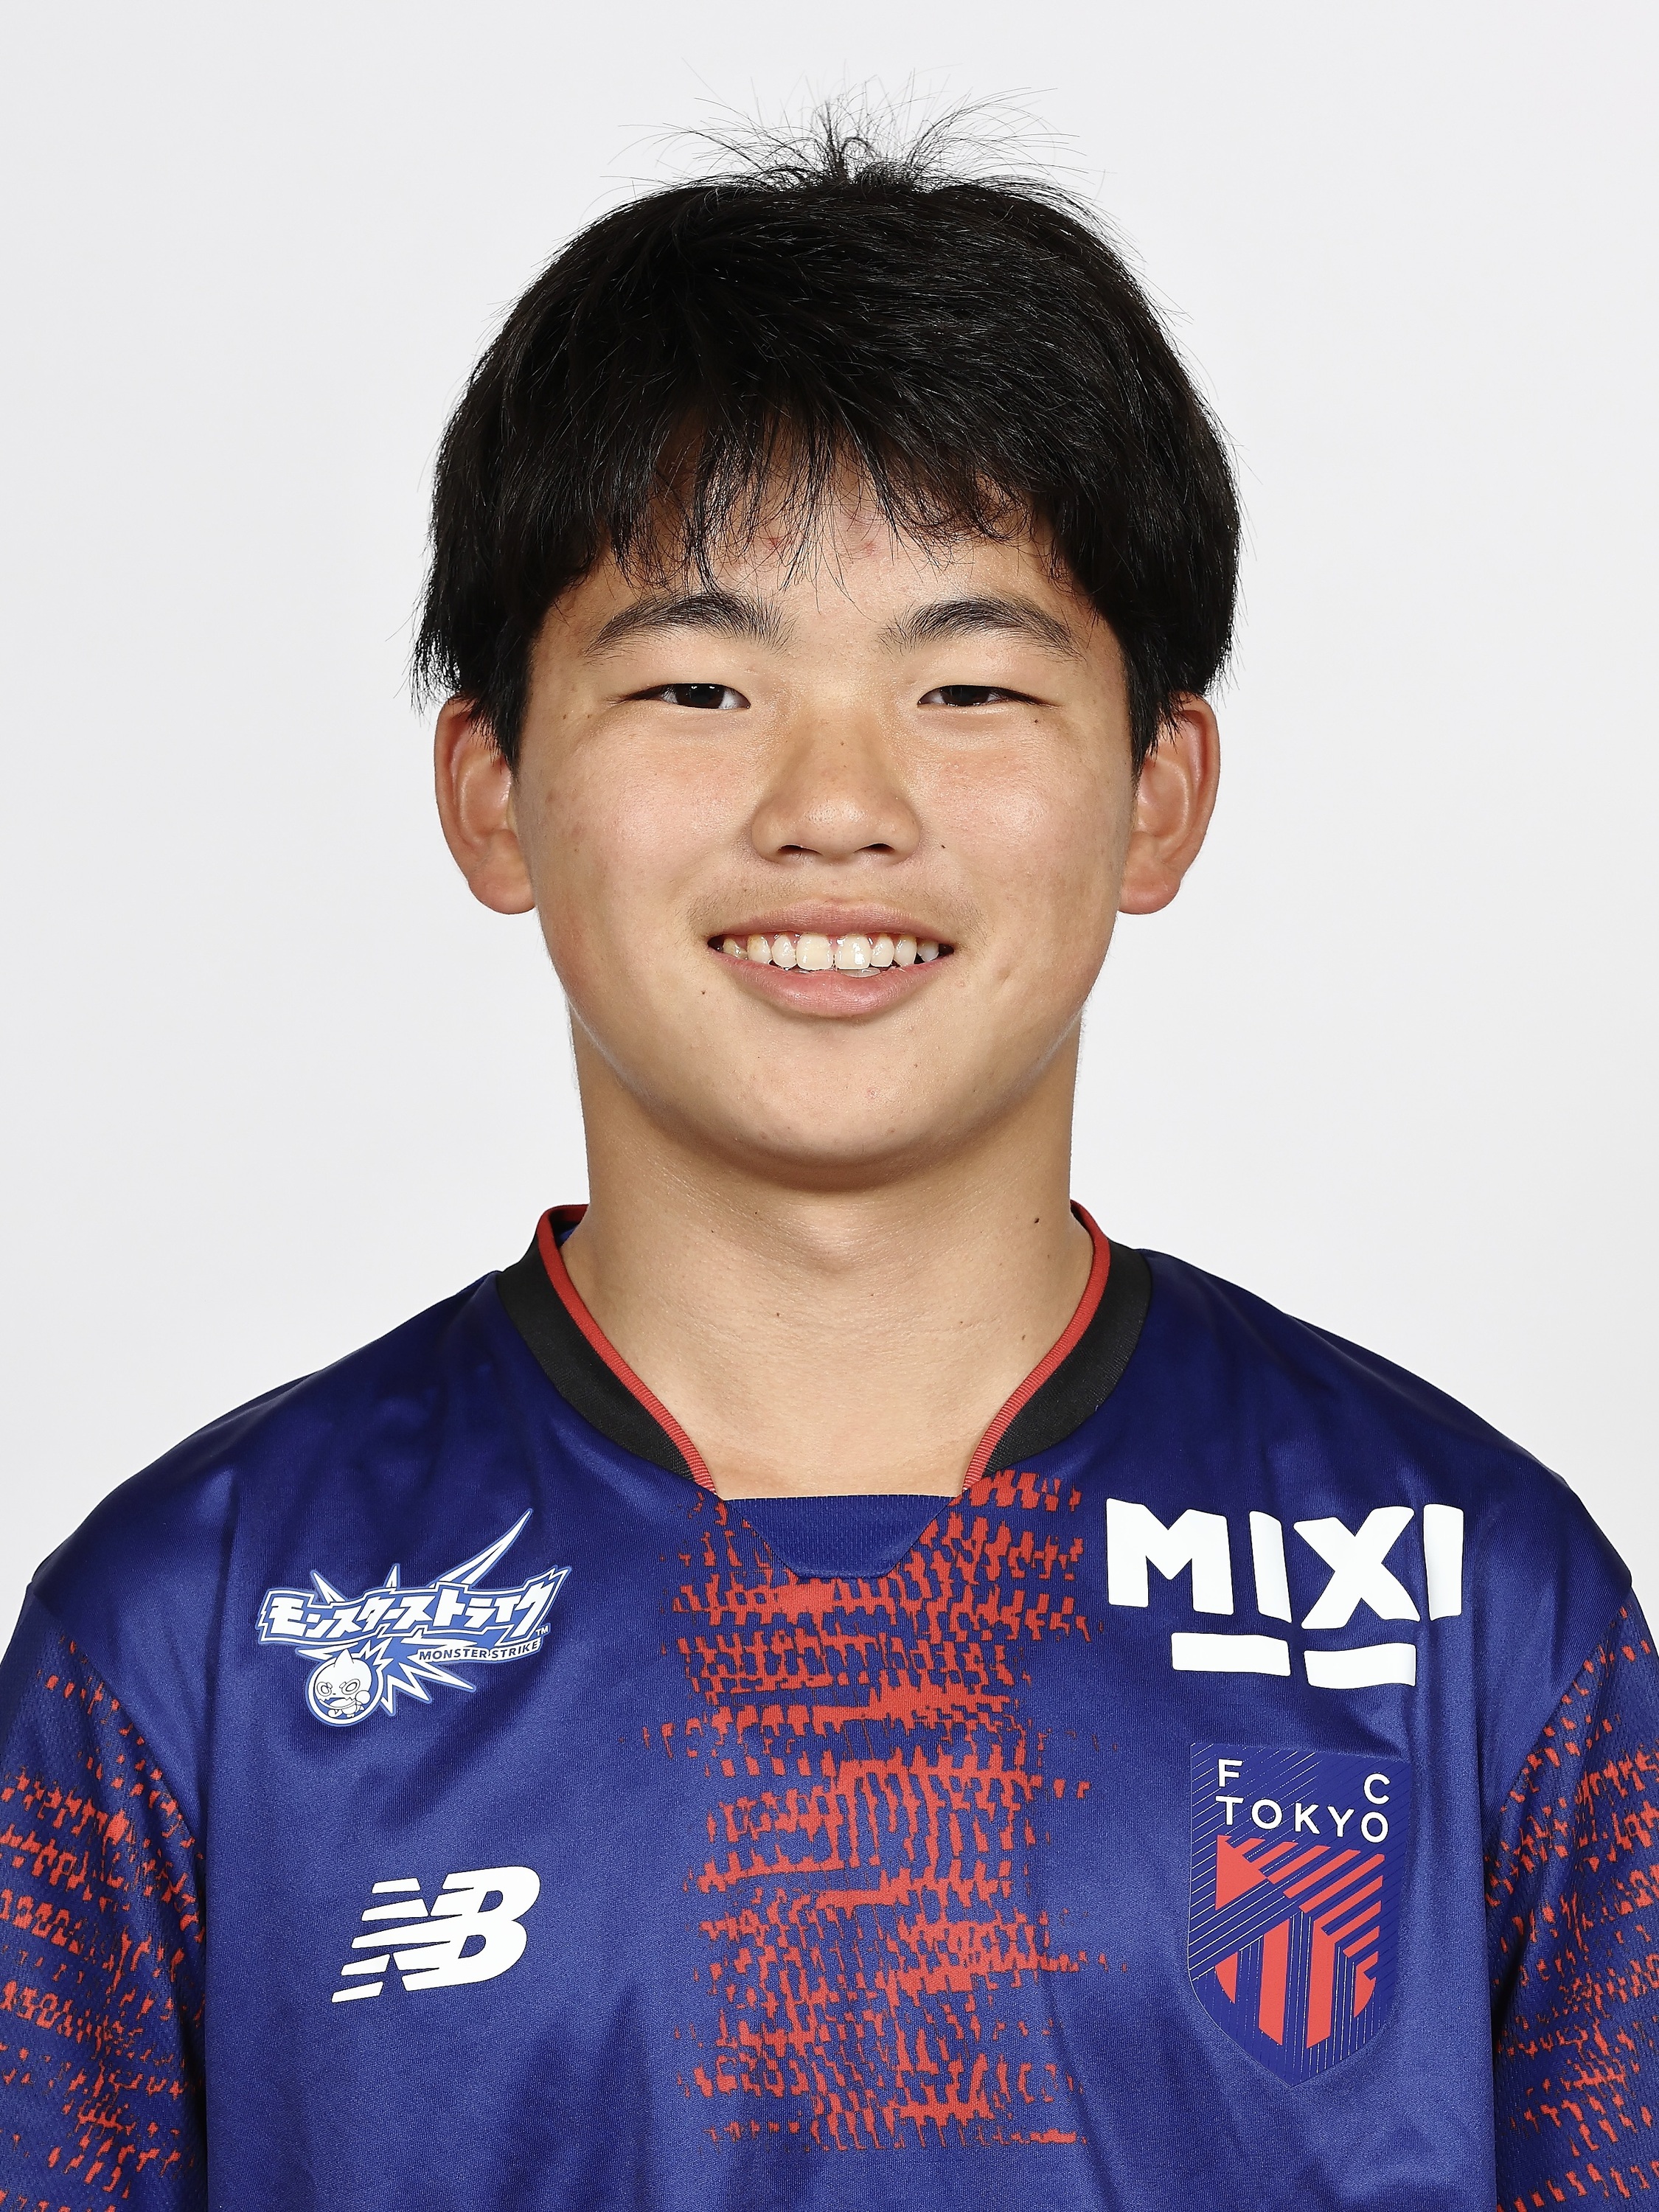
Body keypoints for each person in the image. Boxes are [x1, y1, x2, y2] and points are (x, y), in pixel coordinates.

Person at [0, 114, 1649, 2212]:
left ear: (1158, 793)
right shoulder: (195, 1633)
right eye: (701, 683)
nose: (835, 804)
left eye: (967, 684)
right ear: (491, 791)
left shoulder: (1468, 1597)